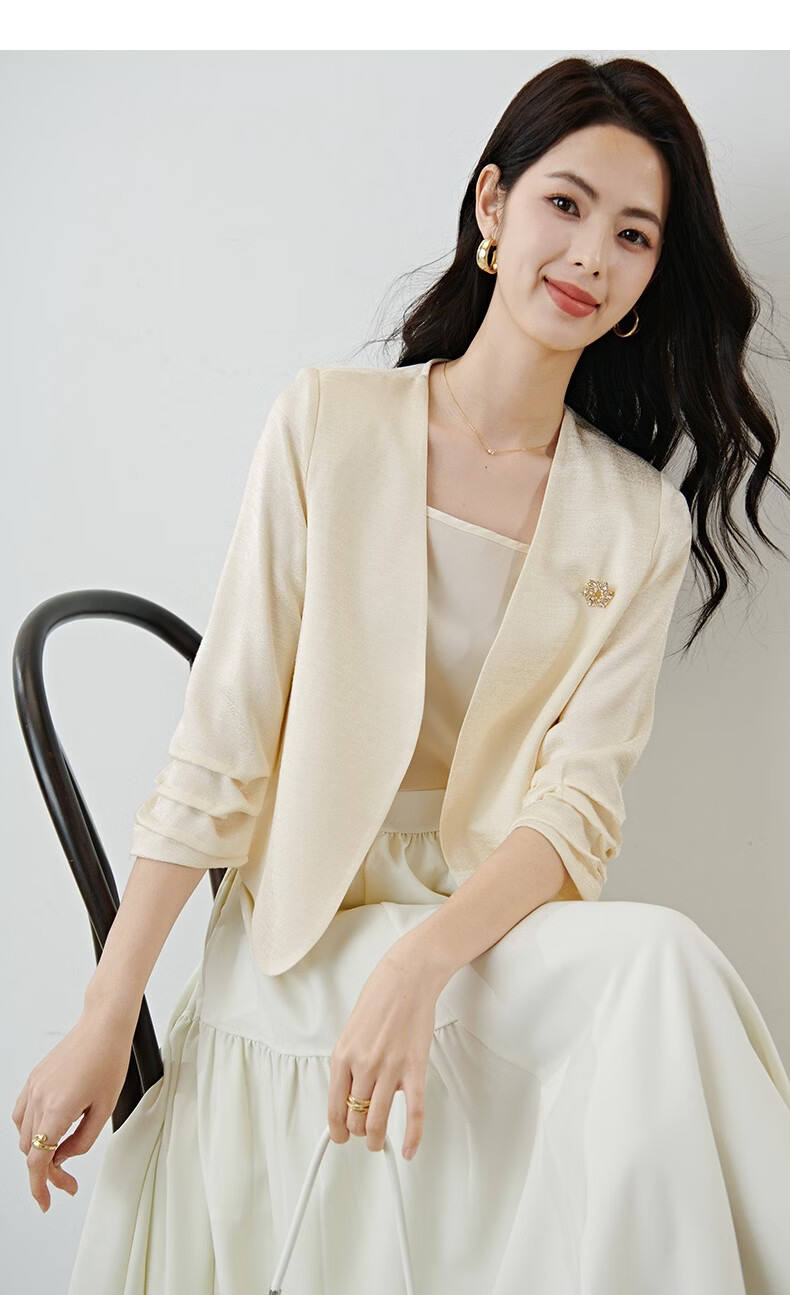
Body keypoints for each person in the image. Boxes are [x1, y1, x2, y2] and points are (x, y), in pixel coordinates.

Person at [14, 54, 790, 1295]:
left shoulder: (633, 518)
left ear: (650, 278)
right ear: (493, 206)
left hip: (485, 934)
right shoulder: (329, 425)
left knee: (664, 968)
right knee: (662, 976)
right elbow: (223, 745)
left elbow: (575, 807)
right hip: (301, 932)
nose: (590, 254)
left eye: (633, 234)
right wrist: (109, 1011)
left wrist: (424, 960)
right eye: (565, 203)